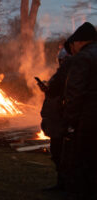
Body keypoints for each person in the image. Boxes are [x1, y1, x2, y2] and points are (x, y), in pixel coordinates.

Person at [56, 22, 97, 200]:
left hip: (86, 122)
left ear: (79, 42)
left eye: (72, 45)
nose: (71, 50)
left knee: (77, 165)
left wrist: (69, 123)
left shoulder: (83, 59)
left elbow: (75, 94)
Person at [39, 46, 72, 191]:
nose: (61, 62)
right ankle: (61, 184)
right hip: (54, 121)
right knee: (57, 154)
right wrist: (46, 88)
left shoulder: (72, 74)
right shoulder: (61, 74)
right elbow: (53, 92)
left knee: (64, 156)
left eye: (63, 59)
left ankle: (66, 187)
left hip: (62, 121)